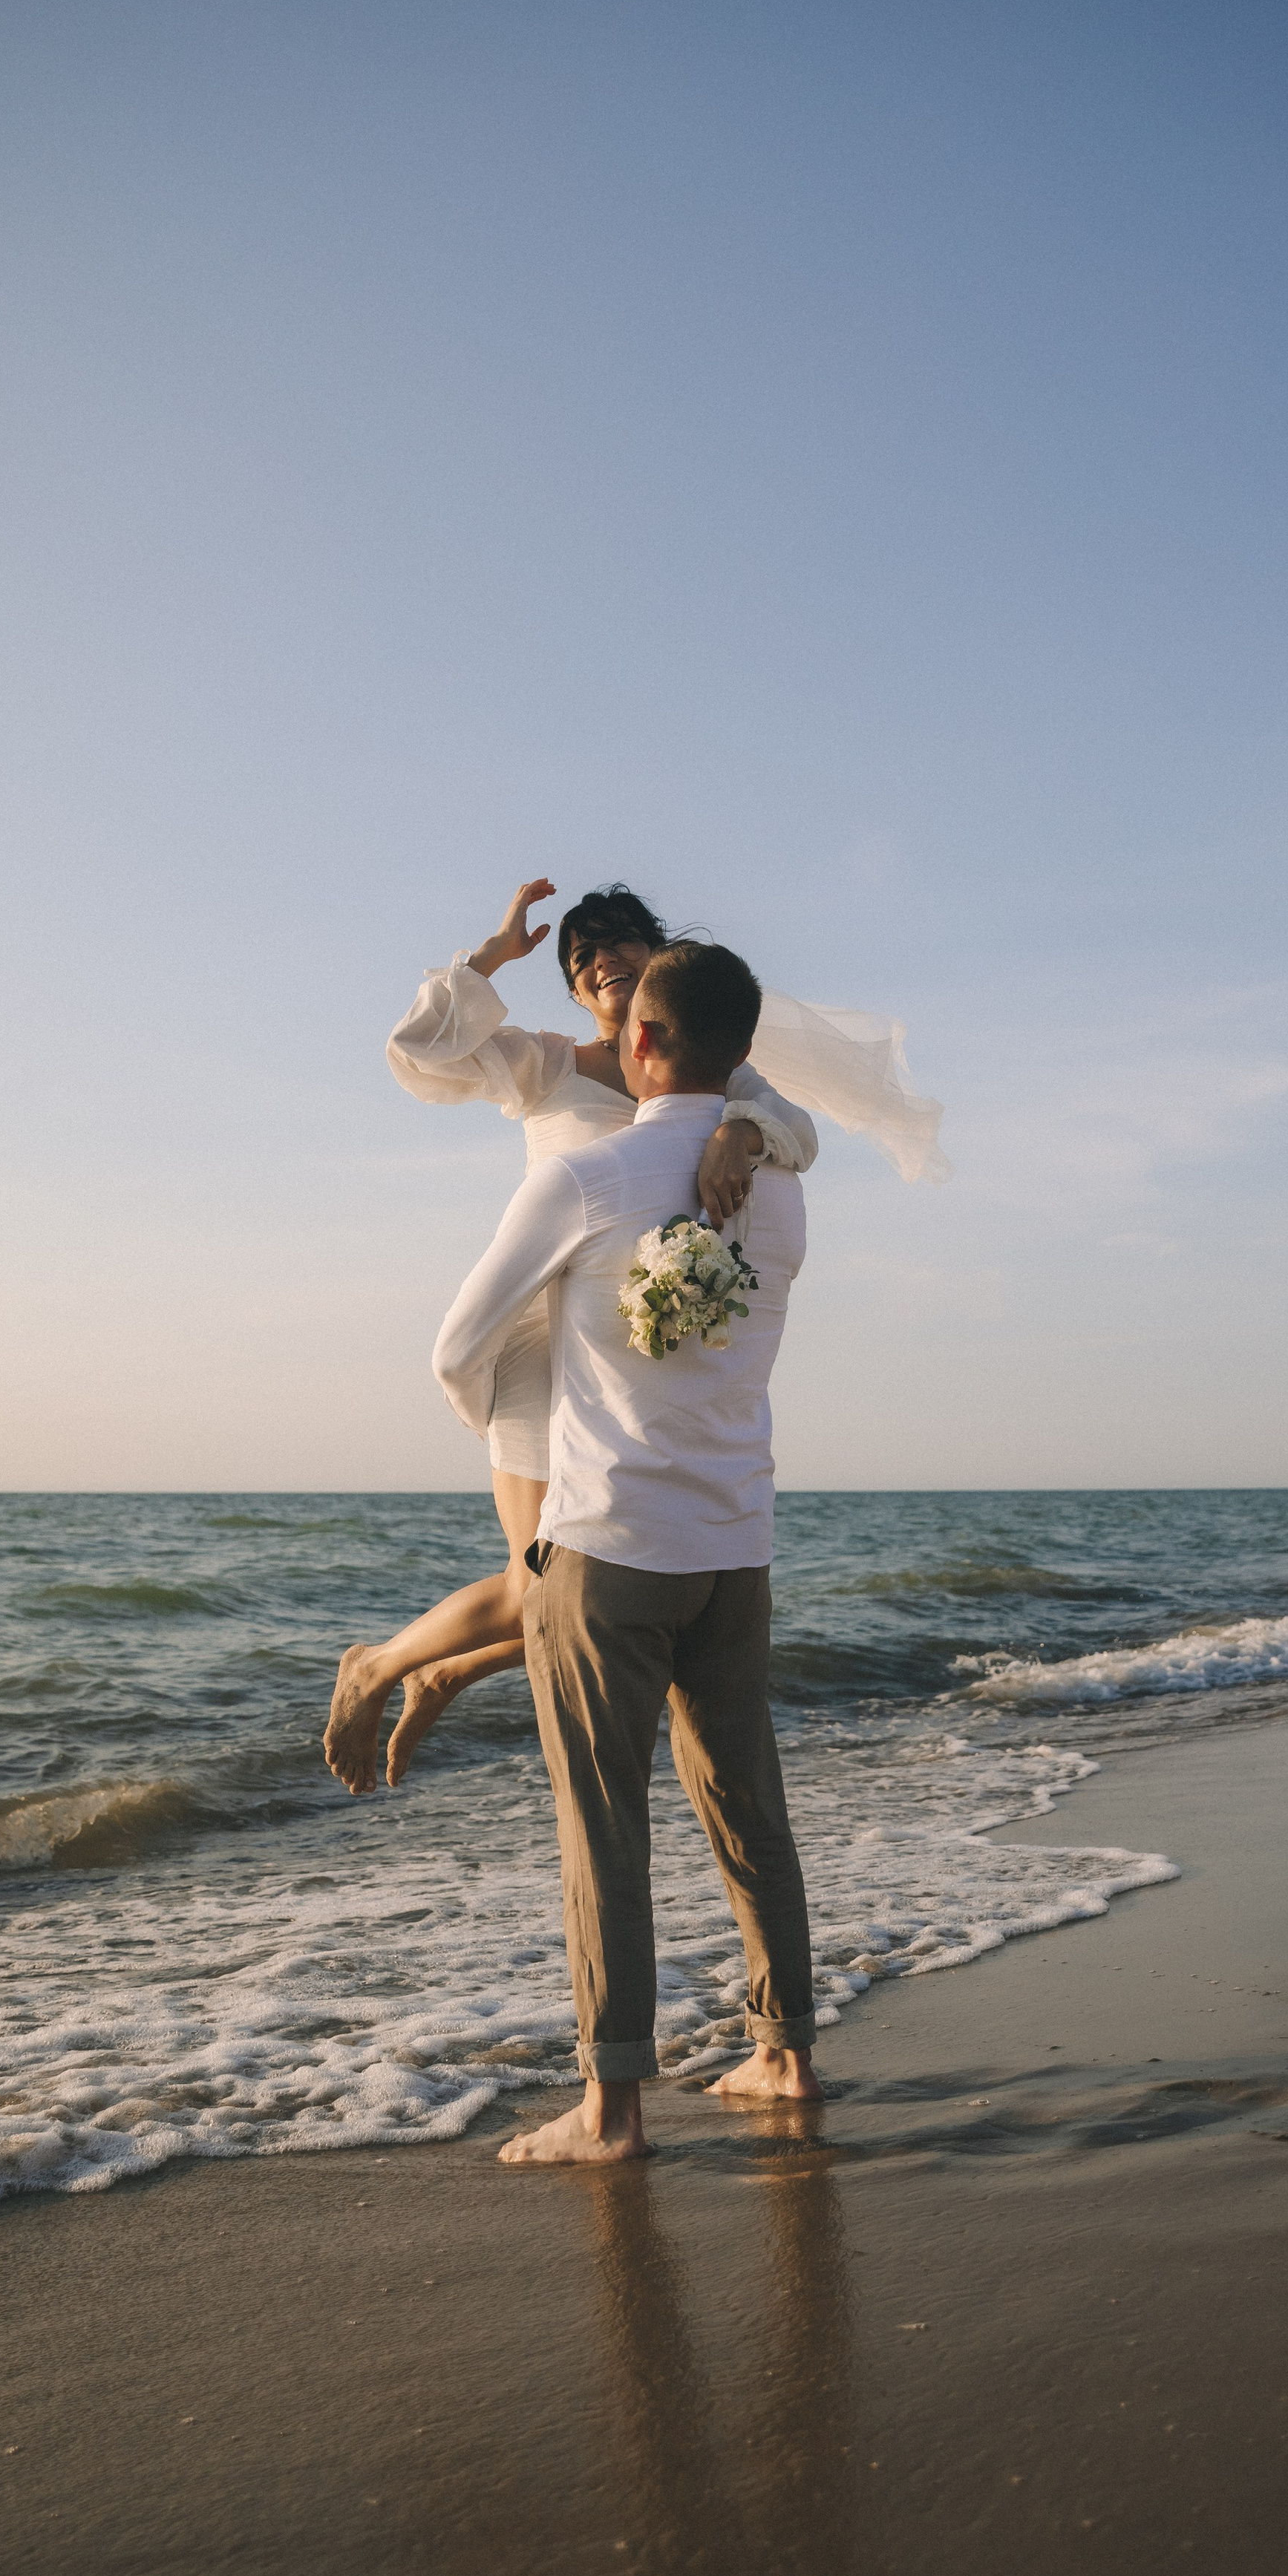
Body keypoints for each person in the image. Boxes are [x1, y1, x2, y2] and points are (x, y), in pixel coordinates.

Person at [428, 938, 823, 2162]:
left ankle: (610, 2112)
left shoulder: (586, 1178)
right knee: (746, 1803)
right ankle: (785, 2055)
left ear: (638, 1043)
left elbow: (455, 1347)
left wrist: (510, 1430)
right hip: (735, 1538)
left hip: (602, 1542)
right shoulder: (783, 1189)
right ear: (741, 1055)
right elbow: (782, 1141)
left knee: (604, 1820)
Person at [322, 880, 820, 1791]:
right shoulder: (545, 1064)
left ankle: (446, 1669)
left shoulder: (718, 1076)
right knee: (541, 1585)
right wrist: (490, 957)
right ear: (578, 991)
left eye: (618, 942)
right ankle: (380, 1665)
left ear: (658, 958)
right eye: (580, 956)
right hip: (537, 1341)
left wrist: (741, 1133)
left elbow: (799, 1129)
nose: (599, 960)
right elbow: (418, 1051)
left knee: (610, 1575)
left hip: (634, 1353)